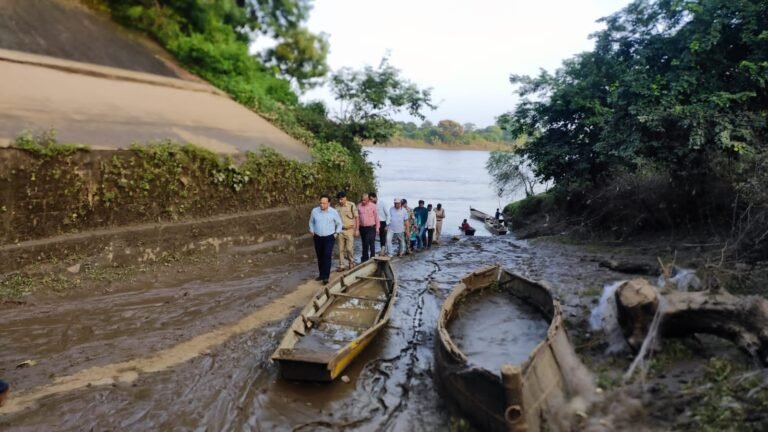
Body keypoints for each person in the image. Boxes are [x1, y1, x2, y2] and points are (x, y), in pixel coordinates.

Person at [309, 194, 342, 284]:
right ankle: (321, 275)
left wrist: (336, 233)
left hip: (329, 237)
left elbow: (339, 223)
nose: (321, 205)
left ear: (328, 203)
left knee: (327, 256)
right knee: (320, 256)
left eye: (324, 203)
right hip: (317, 237)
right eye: (321, 203)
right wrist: (311, 230)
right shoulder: (314, 211)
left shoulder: (333, 212)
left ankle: (326, 277)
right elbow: (311, 222)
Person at [335, 191, 359, 271]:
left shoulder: (351, 205)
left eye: (341, 199)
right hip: (340, 231)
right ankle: (341, 265)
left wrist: (356, 230)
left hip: (349, 230)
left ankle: (351, 262)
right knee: (340, 249)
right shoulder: (336, 207)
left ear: (345, 198)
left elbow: (356, 217)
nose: (340, 201)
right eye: (339, 199)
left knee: (349, 248)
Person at [357, 193, 379, 262]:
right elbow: (357, 218)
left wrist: (377, 228)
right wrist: (356, 228)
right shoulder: (358, 206)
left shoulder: (373, 206)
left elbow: (376, 217)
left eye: (364, 200)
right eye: (362, 200)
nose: (363, 202)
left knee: (370, 242)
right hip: (362, 228)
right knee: (364, 243)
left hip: (371, 228)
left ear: (368, 200)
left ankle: (372, 258)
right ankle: (364, 259)